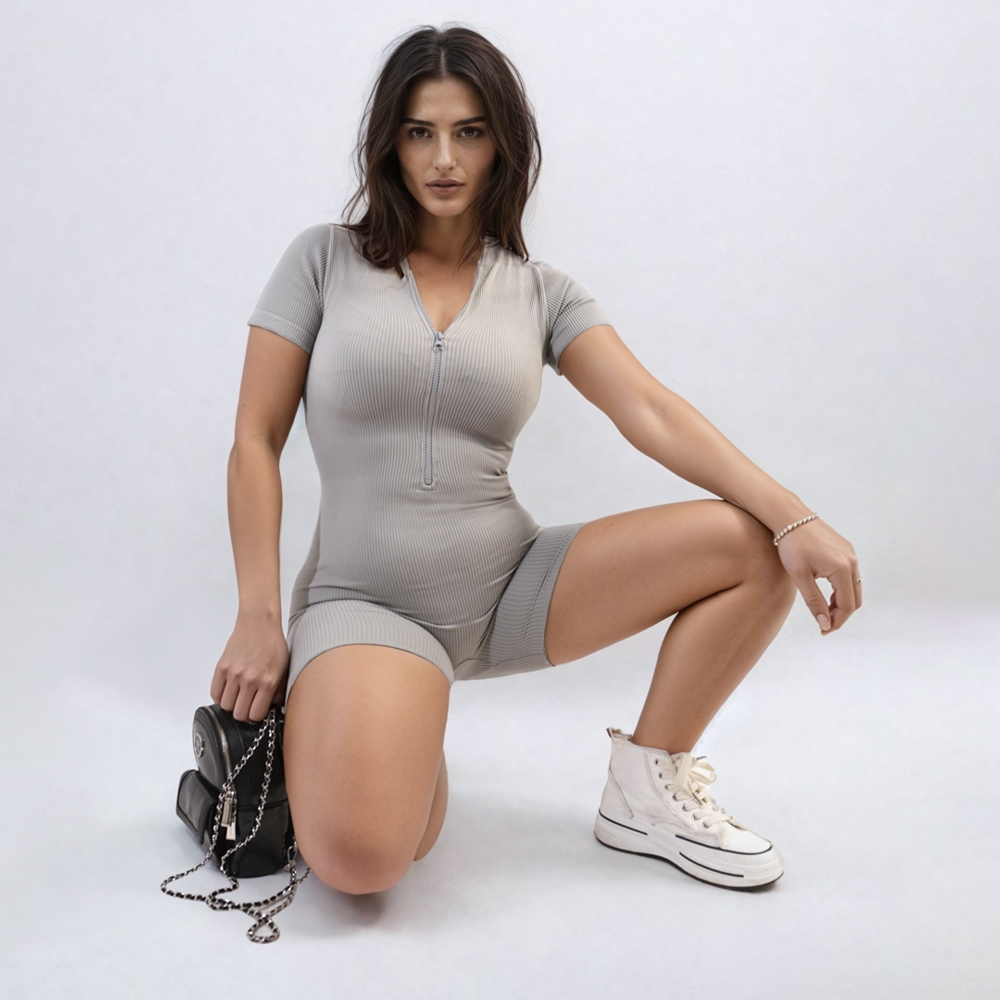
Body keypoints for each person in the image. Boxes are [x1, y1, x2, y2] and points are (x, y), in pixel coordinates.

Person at [209, 24, 861, 896]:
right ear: (390, 144)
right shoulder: (323, 260)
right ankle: (377, 712)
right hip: (366, 601)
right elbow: (255, 440)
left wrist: (797, 516)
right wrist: (259, 615)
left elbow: (651, 410)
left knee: (754, 543)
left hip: (509, 585)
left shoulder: (541, 291)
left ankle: (644, 788)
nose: (445, 158)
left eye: (469, 132)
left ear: (503, 145)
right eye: (420, 131)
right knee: (367, 862)